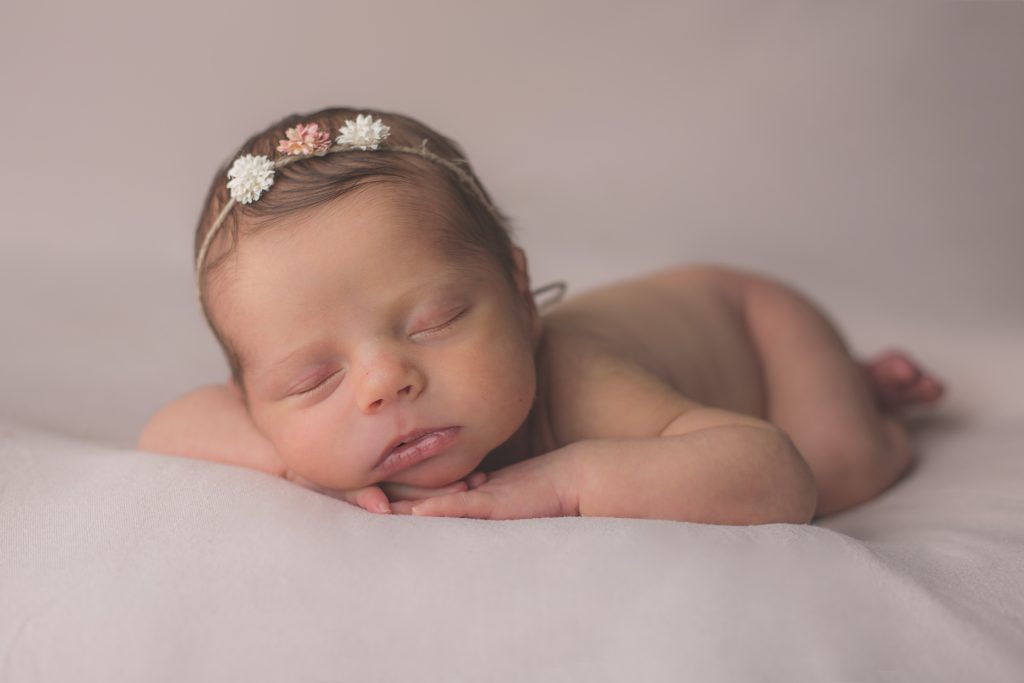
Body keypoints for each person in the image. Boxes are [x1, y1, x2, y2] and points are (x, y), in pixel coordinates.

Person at [137, 106, 945, 524]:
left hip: (752, 321)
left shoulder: (579, 386)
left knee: (837, 467)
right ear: (252, 397)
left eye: (434, 320)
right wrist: (304, 462)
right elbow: (168, 430)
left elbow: (775, 475)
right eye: (314, 378)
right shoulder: (274, 419)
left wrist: (564, 483)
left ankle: (862, 394)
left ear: (521, 298)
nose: (385, 380)